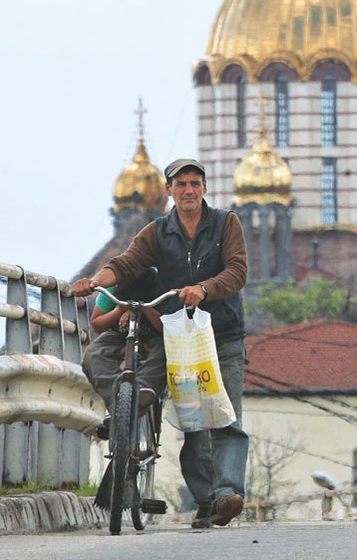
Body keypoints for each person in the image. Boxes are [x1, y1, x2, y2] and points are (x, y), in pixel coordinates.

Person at [72, 158, 250, 529]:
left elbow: (237, 271)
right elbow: (125, 264)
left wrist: (204, 288)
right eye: (181, 183)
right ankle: (208, 501)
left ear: (204, 188)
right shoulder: (158, 233)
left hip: (221, 334)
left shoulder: (225, 224)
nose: (188, 190)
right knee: (195, 423)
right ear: (169, 190)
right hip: (182, 339)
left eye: (195, 183)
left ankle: (228, 493)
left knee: (226, 418)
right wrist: (95, 280)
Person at [82, 268, 166, 413]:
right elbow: (97, 324)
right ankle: (116, 400)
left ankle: (143, 390)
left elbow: (166, 328)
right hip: (120, 335)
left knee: (168, 351)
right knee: (92, 353)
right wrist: (119, 310)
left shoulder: (162, 283)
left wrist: (144, 308)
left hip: (156, 336)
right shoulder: (112, 285)